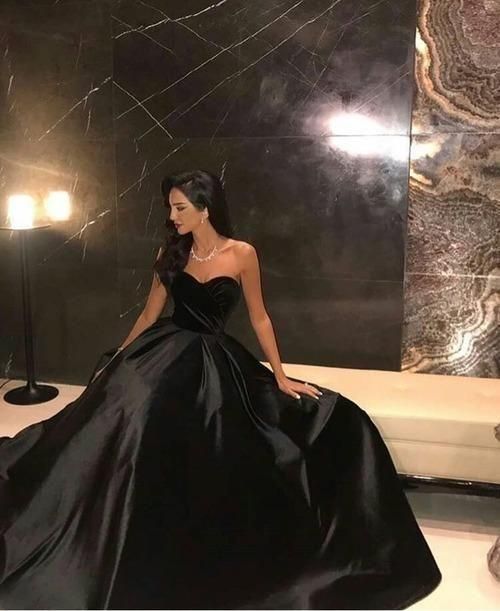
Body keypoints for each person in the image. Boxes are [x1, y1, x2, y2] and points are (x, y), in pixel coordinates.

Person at [0, 169, 441, 609]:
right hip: (165, 351)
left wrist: (280, 375)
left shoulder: (242, 253)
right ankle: (116, 508)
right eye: (170, 208)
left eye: (180, 208)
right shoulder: (169, 253)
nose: (172, 217)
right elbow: (149, 315)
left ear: (205, 208)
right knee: (135, 409)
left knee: (299, 421)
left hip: (215, 358)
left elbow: (260, 317)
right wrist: (118, 357)